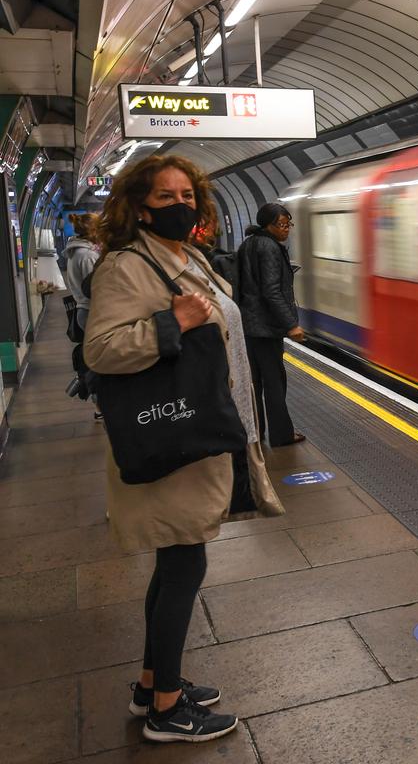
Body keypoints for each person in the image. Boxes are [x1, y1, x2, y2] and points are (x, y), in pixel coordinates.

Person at [84, 155, 285, 744]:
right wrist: (170, 322)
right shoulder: (125, 266)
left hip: (201, 429)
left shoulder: (187, 256)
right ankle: (167, 712)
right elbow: (102, 351)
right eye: (164, 197)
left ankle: (154, 682)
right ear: (138, 206)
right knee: (183, 563)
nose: (180, 205)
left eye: (186, 194)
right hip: (173, 435)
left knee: (175, 562)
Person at [235, 203, 306, 447]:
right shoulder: (270, 247)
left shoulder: (248, 244)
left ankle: (256, 432)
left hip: (248, 325)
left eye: (288, 224)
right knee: (275, 381)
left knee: (254, 383)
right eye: (281, 225)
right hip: (265, 328)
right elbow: (271, 290)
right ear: (268, 225)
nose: (286, 229)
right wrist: (291, 324)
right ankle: (282, 435)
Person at [64, 213, 100, 332]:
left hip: (84, 310)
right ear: (94, 231)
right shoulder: (87, 256)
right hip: (92, 312)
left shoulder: (77, 251)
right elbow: (94, 288)